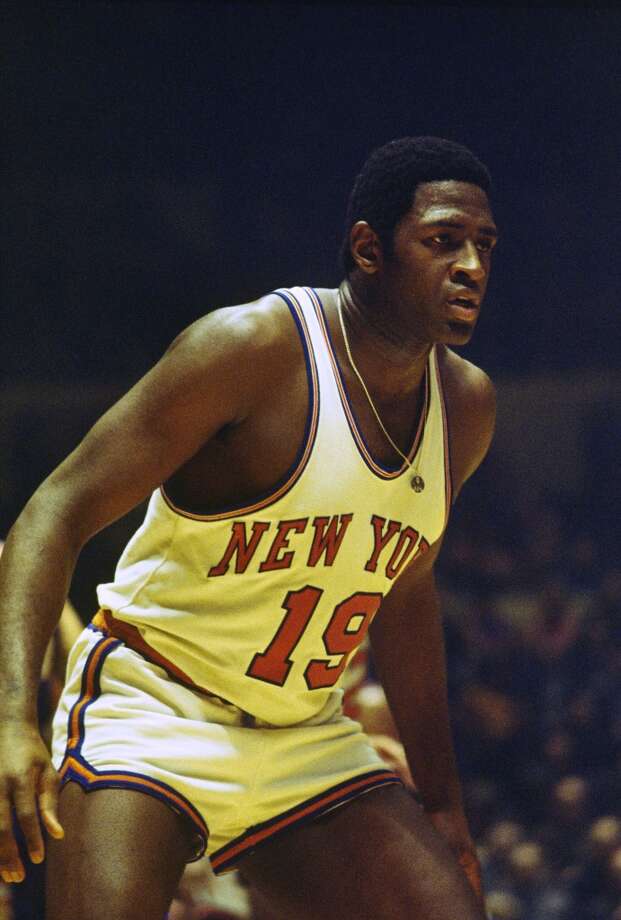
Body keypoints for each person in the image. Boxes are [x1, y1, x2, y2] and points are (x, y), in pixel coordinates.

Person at [0, 136, 499, 920]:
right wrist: (12, 722)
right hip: (155, 705)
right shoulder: (253, 349)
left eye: (482, 246)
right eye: (443, 241)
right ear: (368, 249)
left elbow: (404, 596)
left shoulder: (465, 407)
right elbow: (49, 515)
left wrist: (442, 802)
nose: (470, 265)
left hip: (305, 735)